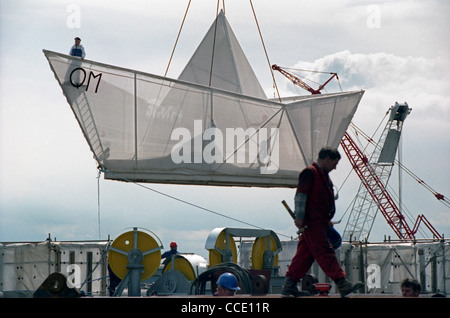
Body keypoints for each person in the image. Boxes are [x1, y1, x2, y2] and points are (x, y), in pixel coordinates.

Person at [282, 147, 364, 297]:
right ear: (327, 159)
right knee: (325, 251)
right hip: (312, 223)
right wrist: (299, 217)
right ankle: (342, 283)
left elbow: (320, 200)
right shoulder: (310, 173)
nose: (335, 167)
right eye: (334, 163)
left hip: (317, 222)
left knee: (304, 256)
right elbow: (301, 196)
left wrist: (326, 220)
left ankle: (289, 286)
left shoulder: (322, 175)